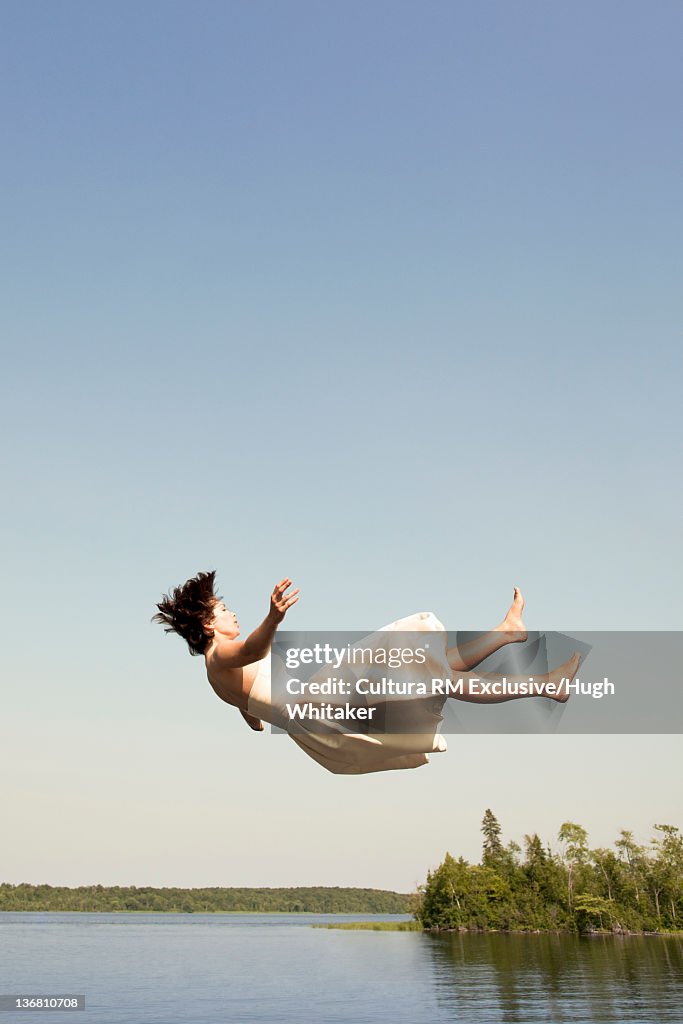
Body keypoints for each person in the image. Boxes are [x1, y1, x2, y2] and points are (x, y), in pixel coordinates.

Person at [153, 572, 581, 774]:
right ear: (209, 625)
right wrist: (273, 617)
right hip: (322, 703)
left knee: (421, 666)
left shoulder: (215, 674)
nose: (232, 613)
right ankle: (545, 685)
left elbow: (251, 713)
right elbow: (251, 649)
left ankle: (507, 635)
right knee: (424, 669)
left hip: (319, 710)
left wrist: (255, 713)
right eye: (224, 610)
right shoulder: (221, 653)